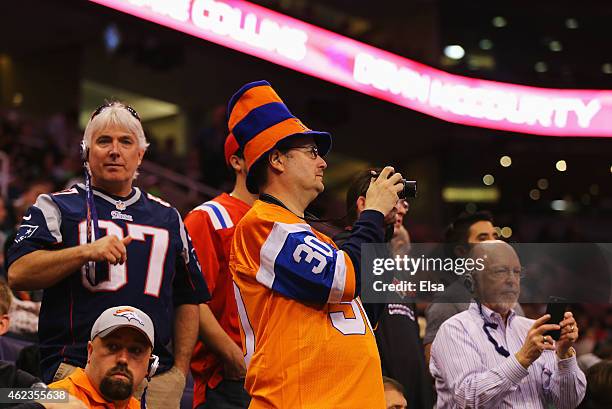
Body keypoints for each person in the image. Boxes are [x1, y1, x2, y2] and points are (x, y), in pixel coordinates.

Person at [7, 101, 210, 409]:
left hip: (153, 379)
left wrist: (179, 371)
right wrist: (85, 251)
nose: (115, 150)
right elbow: (19, 272)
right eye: (104, 141)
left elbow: (188, 298)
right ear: (87, 152)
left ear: (140, 154)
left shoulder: (169, 218)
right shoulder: (57, 206)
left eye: (125, 142)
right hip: (75, 371)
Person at [227, 80, 403, 408]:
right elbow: (341, 279)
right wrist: (373, 212)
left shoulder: (318, 238)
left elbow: (372, 309)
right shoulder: (261, 224)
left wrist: (383, 227)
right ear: (277, 159)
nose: (322, 162)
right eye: (312, 153)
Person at [430, 241, 586, 408]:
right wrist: (523, 359)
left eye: (517, 272)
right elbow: (469, 399)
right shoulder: (454, 330)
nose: (512, 280)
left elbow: (567, 402)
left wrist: (564, 354)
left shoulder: (532, 329)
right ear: (472, 282)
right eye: (500, 271)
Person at [335, 168, 433, 408]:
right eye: (392, 197)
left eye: (403, 202)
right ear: (363, 203)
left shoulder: (389, 261)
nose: (401, 207)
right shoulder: (342, 252)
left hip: (410, 390)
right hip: (369, 387)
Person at [186, 133, 256, 409]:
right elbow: (191, 299)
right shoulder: (209, 217)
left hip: (276, 378)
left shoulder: (287, 225)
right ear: (237, 162)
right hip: (230, 382)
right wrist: (235, 359)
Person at [424, 211, 524, 365]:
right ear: (462, 252)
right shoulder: (447, 303)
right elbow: (435, 368)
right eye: (483, 238)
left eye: (495, 236)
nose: (493, 243)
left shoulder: (512, 302)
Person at [49, 305, 157, 409]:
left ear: (149, 365)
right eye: (113, 347)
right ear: (90, 352)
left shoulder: (135, 406)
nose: (123, 359)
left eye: (136, 350)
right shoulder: (55, 399)